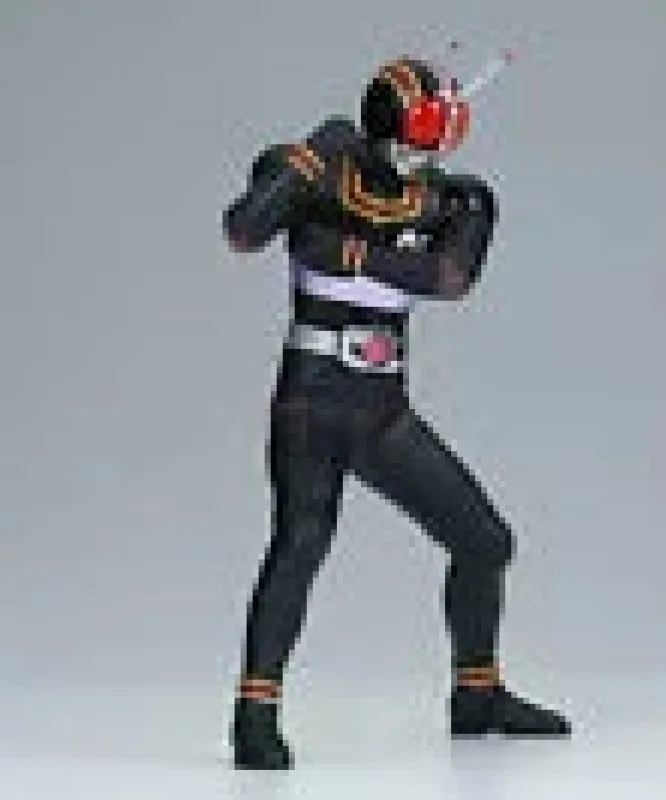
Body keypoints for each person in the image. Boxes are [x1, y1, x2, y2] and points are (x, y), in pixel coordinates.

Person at [222, 56, 572, 770]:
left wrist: (342, 249)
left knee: (485, 543)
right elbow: (244, 230)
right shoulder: (317, 170)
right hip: (312, 399)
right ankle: (253, 715)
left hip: (381, 409)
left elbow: (449, 277)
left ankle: (477, 693)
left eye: (437, 136)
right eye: (417, 133)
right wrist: (312, 154)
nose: (425, 152)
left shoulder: (454, 199)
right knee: (300, 543)